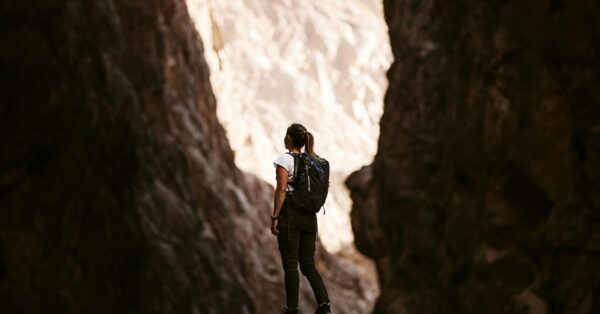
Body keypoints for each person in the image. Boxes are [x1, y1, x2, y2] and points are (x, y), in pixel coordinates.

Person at [271, 123, 332, 314]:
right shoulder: (315, 161)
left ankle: (292, 309)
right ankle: (324, 306)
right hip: (310, 219)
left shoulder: (285, 159)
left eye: (286, 135)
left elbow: (281, 190)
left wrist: (275, 217)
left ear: (289, 138)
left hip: (291, 216)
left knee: (291, 265)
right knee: (308, 264)